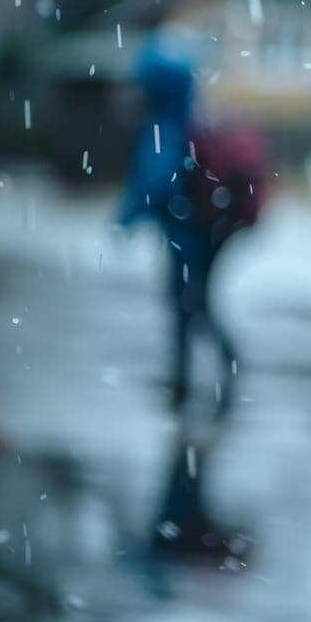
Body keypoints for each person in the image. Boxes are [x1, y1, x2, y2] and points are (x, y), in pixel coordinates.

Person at [118, 28, 239, 412]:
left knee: (186, 303)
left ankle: (191, 379)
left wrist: (128, 216)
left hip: (184, 232)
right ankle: (200, 374)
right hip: (200, 229)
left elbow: (156, 181)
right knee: (192, 303)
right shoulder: (187, 116)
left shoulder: (163, 125)